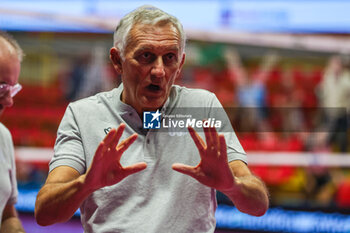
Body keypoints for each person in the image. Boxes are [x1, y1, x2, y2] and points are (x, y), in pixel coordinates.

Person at [35, 5, 269, 233]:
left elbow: (258, 206)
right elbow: (44, 213)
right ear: (117, 61)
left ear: (181, 65)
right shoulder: (83, 114)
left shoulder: (203, 107)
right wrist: (86, 184)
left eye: (169, 58)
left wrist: (232, 185)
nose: (159, 71)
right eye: (146, 56)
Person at [0, 31, 25, 233]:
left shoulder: (3, 136)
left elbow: (7, 214)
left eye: (12, 89)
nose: (9, 101)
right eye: (1, 88)